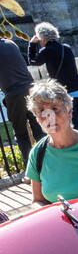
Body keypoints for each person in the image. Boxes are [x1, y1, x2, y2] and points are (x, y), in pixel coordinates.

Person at [27, 23, 78, 131]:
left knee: (76, 129)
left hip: (67, 95)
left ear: (41, 38)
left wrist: (32, 44)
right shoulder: (66, 48)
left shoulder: (47, 51)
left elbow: (33, 61)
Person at [1, 36, 37, 164]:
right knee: (39, 129)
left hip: (14, 94)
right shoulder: (10, 43)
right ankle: (51, 162)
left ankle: (31, 169)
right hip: (31, 89)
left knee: (21, 134)